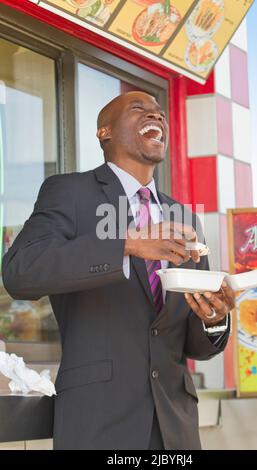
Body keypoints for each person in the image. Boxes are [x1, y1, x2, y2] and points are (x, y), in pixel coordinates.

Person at [2, 91, 234, 450]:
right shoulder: (70, 193)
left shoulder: (184, 217)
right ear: (104, 132)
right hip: (99, 423)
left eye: (160, 113)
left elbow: (189, 342)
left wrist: (212, 318)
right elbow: (21, 272)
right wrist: (125, 245)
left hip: (175, 429)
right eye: (139, 109)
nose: (156, 117)